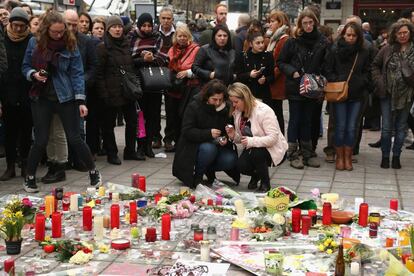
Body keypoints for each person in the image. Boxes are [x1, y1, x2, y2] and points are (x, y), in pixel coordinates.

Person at [22, 10, 101, 192]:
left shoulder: (70, 43)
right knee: (40, 139)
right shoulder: (34, 42)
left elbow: (77, 73)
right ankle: (30, 177)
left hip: (65, 96)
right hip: (41, 96)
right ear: (46, 29)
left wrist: (81, 101)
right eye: (54, 32)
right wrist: (33, 74)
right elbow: (25, 66)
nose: (58, 35)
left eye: (61, 31)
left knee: (75, 138)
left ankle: (94, 173)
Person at [277, 9, 328, 169]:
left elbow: (326, 62)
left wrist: (321, 76)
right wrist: (292, 71)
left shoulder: (322, 41)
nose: (308, 26)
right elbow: (281, 61)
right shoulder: (293, 41)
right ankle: (293, 153)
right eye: (305, 23)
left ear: (315, 23)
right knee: (295, 120)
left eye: (310, 22)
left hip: (313, 86)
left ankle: (307, 152)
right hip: (296, 85)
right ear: (300, 24)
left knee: (308, 120)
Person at [173, 80, 238, 188]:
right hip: (193, 147)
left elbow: (228, 128)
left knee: (230, 159)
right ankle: (198, 176)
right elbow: (187, 130)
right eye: (214, 99)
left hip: (217, 146)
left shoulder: (226, 108)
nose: (217, 103)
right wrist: (208, 133)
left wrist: (225, 138)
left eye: (220, 100)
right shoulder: (194, 106)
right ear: (207, 97)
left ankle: (208, 170)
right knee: (209, 149)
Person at [324, 22, 371, 171]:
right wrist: (339, 80)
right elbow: (327, 70)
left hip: (357, 94)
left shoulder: (363, 51)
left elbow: (367, 71)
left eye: (354, 35)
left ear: (358, 36)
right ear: (343, 34)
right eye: (348, 35)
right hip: (339, 93)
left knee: (352, 127)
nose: (350, 38)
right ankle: (339, 157)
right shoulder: (335, 49)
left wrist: (361, 82)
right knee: (340, 127)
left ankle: (348, 157)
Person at [95, 16, 142, 164]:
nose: (117, 29)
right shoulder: (102, 47)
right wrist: (104, 93)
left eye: (120, 27)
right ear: (108, 29)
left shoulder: (127, 44)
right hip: (111, 92)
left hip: (127, 91)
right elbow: (99, 73)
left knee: (132, 122)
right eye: (114, 27)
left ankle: (130, 151)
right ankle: (112, 153)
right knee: (109, 125)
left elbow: (130, 67)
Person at [226, 82, 287, 192]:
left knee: (257, 153)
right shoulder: (239, 112)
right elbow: (244, 139)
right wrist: (233, 136)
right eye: (232, 102)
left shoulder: (264, 111)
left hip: (273, 149)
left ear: (245, 98)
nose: (234, 105)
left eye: (236, 102)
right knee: (240, 166)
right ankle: (257, 174)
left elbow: (273, 138)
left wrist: (251, 141)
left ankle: (265, 183)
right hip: (254, 147)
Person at [372, 20, 414, 169]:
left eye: (405, 32)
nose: (402, 36)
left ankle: (396, 156)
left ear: (410, 33)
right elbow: (375, 65)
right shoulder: (387, 49)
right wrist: (379, 82)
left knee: (401, 126)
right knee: (387, 127)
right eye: (399, 33)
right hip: (387, 93)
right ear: (394, 34)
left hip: (407, 94)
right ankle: (385, 156)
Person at [0, 7, 32, 181]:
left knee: (26, 131)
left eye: (22, 26)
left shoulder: (31, 40)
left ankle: (25, 165)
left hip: (26, 92)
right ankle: (10, 166)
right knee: (10, 132)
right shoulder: (3, 39)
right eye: (15, 25)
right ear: (10, 23)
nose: (19, 29)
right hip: (7, 92)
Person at [130, 13, 168, 158]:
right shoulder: (132, 37)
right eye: (144, 25)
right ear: (139, 25)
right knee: (140, 116)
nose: (146, 28)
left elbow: (163, 58)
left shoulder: (157, 37)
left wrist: (152, 58)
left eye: (149, 25)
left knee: (153, 116)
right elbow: (128, 60)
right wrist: (142, 59)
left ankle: (148, 146)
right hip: (138, 83)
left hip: (154, 83)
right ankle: (140, 145)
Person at [166, 25, 200, 153]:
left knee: (184, 115)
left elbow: (198, 67)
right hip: (173, 87)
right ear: (176, 37)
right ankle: (173, 140)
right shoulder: (172, 50)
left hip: (188, 87)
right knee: (172, 116)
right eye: (179, 36)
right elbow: (168, 64)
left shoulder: (195, 49)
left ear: (189, 37)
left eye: (184, 36)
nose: (182, 38)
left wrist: (186, 72)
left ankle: (183, 141)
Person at [154, 7, 175, 151]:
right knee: (154, 109)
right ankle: (156, 138)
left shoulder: (177, 33)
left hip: (172, 74)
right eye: (163, 18)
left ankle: (169, 139)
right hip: (155, 74)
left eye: (169, 18)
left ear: (172, 19)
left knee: (171, 109)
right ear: (159, 18)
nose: (166, 21)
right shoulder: (154, 32)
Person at [266, 10, 291, 136]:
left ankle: (280, 142)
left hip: (276, 83)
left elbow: (279, 63)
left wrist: (268, 77)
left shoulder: (283, 39)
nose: (269, 24)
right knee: (272, 114)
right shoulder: (273, 38)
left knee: (276, 114)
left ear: (280, 22)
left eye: (272, 21)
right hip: (271, 82)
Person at [235, 31, 274, 105]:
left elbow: (272, 76)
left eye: (262, 42)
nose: (261, 45)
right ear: (250, 44)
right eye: (258, 43)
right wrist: (249, 74)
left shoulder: (268, 56)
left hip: (264, 94)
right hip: (248, 93)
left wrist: (265, 79)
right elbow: (238, 76)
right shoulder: (242, 57)